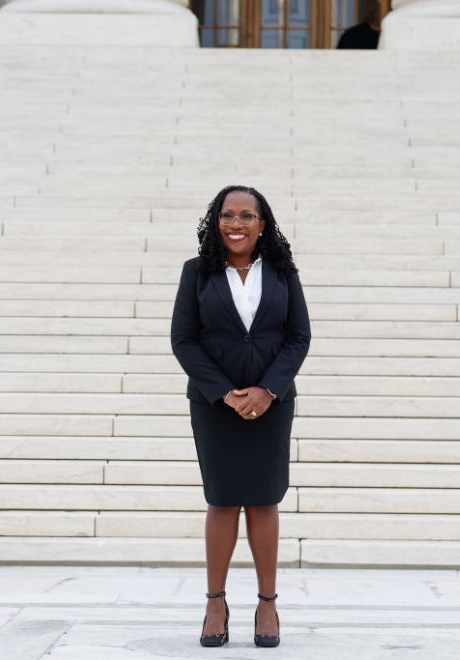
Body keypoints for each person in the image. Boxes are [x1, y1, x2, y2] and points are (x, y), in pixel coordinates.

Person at [170, 185, 311, 648]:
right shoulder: (196, 274)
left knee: (265, 500)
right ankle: (215, 602)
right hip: (216, 406)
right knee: (223, 500)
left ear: (262, 224)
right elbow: (183, 340)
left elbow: (298, 337)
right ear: (216, 222)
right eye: (227, 215)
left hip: (271, 403)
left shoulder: (283, 273)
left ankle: (267, 603)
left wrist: (268, 389)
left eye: (246, 215)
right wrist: (225, 394)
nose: (235, 224)